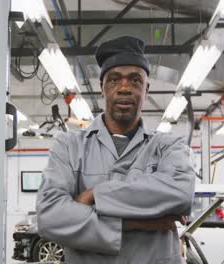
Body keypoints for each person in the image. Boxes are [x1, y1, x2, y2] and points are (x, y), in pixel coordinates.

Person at [36, 36, 195, 263]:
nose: (124, 88)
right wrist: (139, 222)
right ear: (102, 87)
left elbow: (180, 194)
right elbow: (49, 217)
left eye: (134, 80)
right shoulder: (69, 146)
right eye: (114, 80)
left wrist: (94, 195)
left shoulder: (168, 146)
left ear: (146, 89)